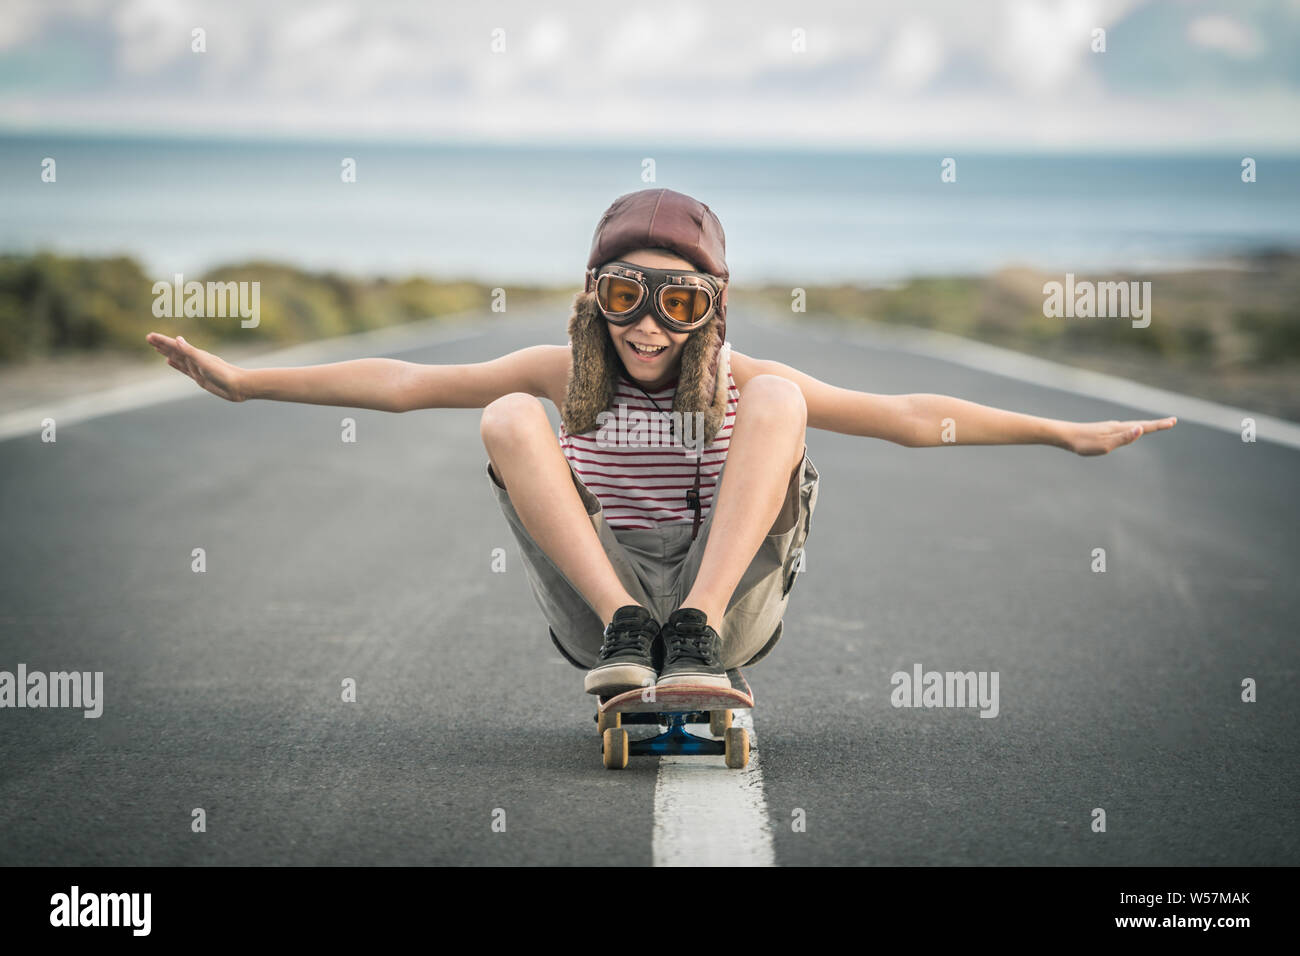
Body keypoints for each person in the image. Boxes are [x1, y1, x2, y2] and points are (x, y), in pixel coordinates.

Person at [146, 187, 1177, 699]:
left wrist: (1059, 431)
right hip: (601, 607)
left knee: (777, 402)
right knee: (503, 412)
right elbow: (407, 382)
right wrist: (245, 382)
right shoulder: (566, 369)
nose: (647, 322)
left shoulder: (730, 374)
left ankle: (687, 628)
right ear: (594, 297)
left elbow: (909, 415)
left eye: (677, 299)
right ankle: (634, 633)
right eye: (625, 295)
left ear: (708, 308)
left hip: (723, 597)